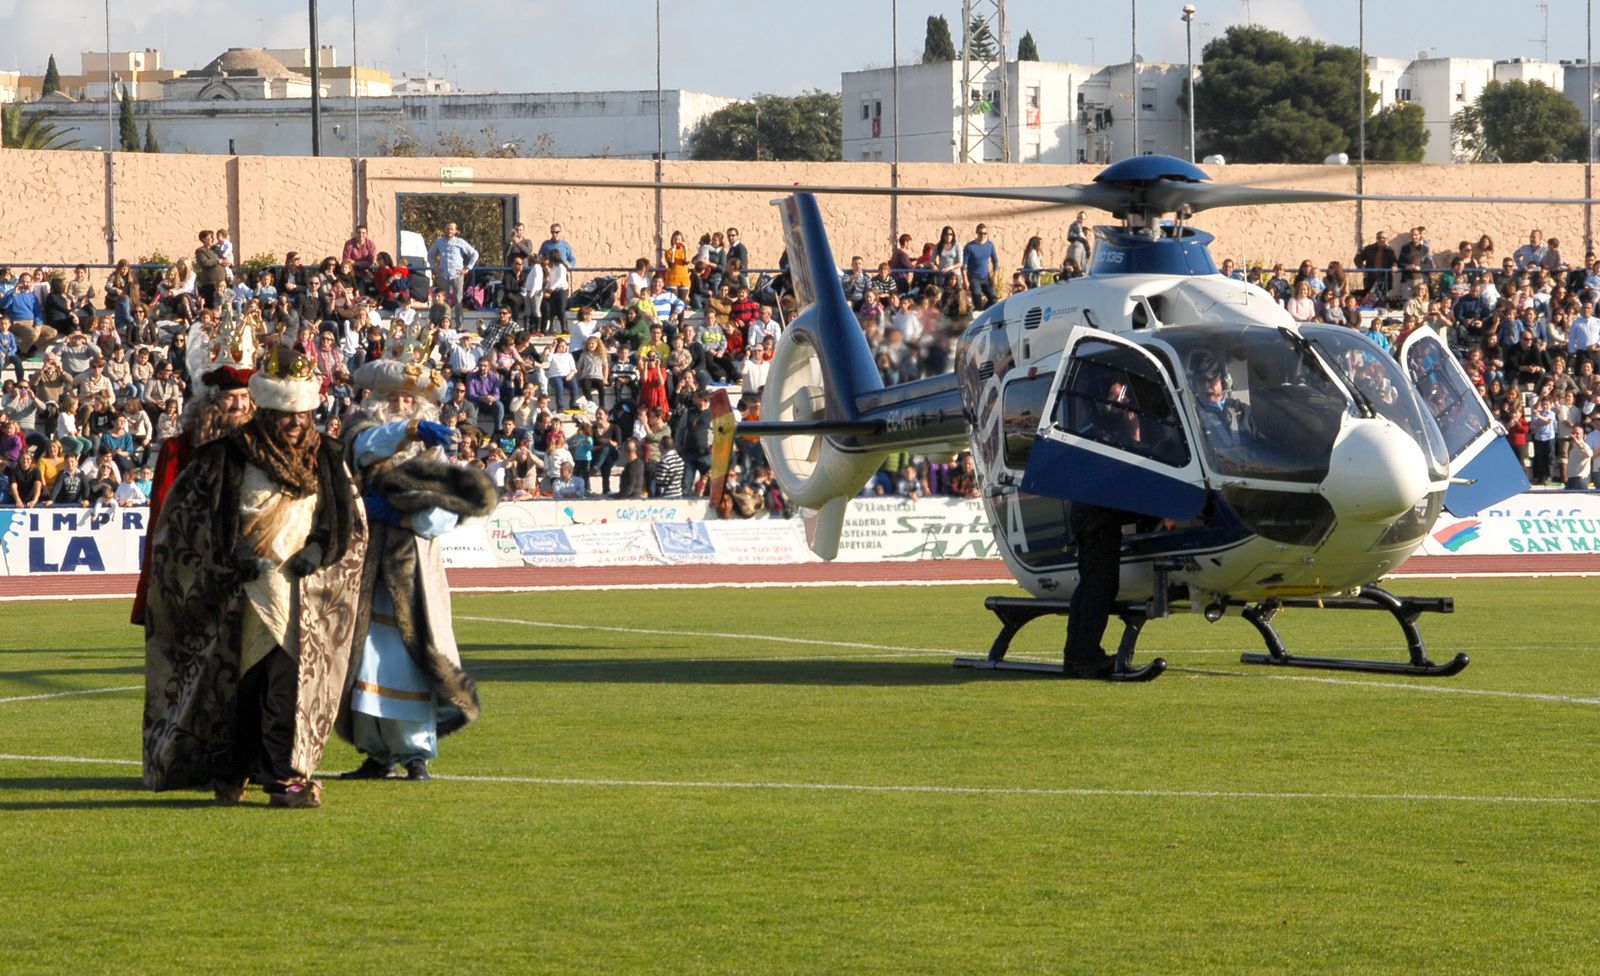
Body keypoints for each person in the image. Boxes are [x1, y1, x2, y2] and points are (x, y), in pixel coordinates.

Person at [142, 348, 368, 808]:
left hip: (301, 595)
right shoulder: (226, 456)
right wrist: (236, 554)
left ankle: (284, 778)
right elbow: (190, 518)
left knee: (287, 685)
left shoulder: (327, 456)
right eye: (285, 414)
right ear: (265, 411)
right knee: (239, 687)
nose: (294, 423)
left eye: (301, 414)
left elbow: (343, 517)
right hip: (240, 593)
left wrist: (319, 548)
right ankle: (232, 772)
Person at [336, 359, 490, 782]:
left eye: (409, 400)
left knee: (413, 661)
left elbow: (445, 513)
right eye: (394, 398)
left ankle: (416, 753)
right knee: (364, 661)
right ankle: (376, 752)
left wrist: (405, 516)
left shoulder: (433, 453)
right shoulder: (361, 431)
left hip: (414, 572)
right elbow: (365, 447)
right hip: (365, 569)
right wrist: (410, 431)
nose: (401, 405)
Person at [129, 319, 258, 626]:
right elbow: (164, 515)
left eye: (245, 397)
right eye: (231, 397)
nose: (239, 405)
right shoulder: (179, 449)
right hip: (198, 569)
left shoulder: (265, 446)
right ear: (212, 401)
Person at [428, 222, 479, 310]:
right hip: (443, 274)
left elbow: (475, 254)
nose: (449, 231)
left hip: (457, 274)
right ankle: (444, 318)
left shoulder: (460, 242)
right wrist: (434, 266)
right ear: (444, 230)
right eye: (447, 229)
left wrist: (467, 268)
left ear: (455, 231)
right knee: (443, 299)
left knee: (458, 299)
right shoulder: (439, 242)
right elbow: (430, 255)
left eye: (452, 229)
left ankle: (459, 319)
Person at [962, 223, 999, 311]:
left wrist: (995, 275)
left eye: (984, 233)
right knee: (977, 300)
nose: (982, 235)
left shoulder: (990, 245)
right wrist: (965, 280)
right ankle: (979, 312)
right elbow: (964, 265)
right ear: (976, 233)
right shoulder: (970, 246)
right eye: (980, 233)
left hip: (986, 278)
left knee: (994, 299)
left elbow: (995, 261)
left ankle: (984, 313)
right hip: (974, 278)